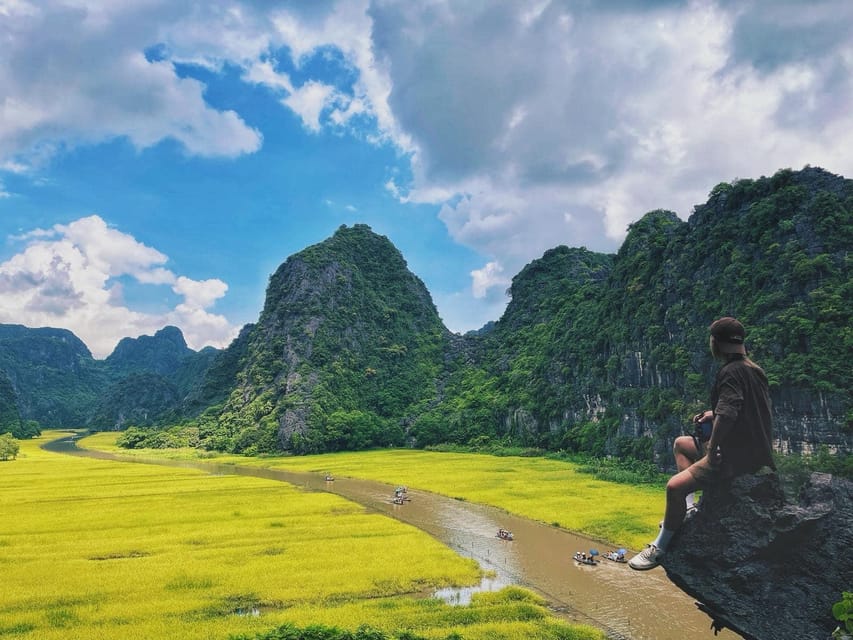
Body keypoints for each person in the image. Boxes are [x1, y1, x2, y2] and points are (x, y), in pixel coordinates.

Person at [628, 317, 775, 571]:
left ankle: (660, 547)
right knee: (682, 444)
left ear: (716, 342)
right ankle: (690, 509)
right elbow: (742, 409)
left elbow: (729, 413)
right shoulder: (753, 369)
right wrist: (712, 414)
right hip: (756, 451)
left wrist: (711, 450)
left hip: (736, 458)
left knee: (674, 487)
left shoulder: (729, 372)